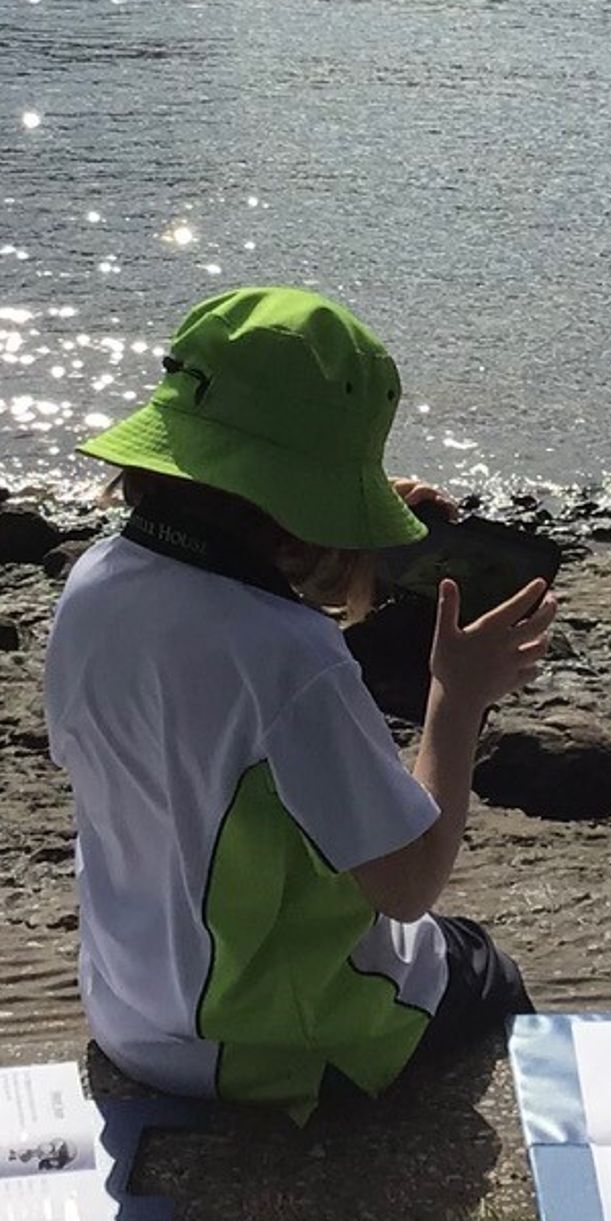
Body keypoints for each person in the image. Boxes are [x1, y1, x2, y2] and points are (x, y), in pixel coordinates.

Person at [45, 285, 555, 1120]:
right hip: (270, 1046)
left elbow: (224, 663)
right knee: (480, 966)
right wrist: (458, 698)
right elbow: (408, 885)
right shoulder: (293, 657)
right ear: (309, 504)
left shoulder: (94, 582)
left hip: (131, 1013)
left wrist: (339, 542)